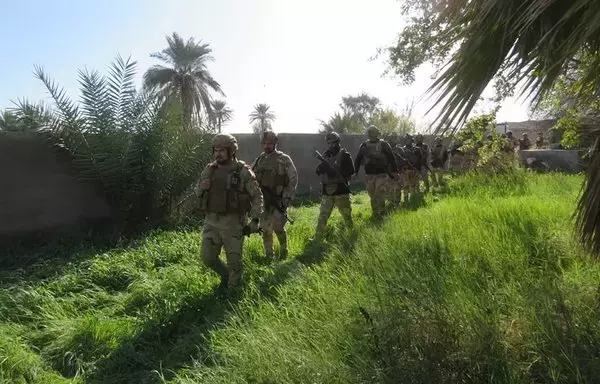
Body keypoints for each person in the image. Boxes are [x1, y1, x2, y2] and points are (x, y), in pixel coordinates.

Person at [195, 133, 263, 294]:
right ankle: (225, 276)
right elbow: (198, 191)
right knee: (208, 258)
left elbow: (257, 195)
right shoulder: (209, 169)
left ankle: (233, 294)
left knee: (235, 263)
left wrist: (254, 219)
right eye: (215, 150)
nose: (217, 154)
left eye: (222, 150)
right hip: (211, 221)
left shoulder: (243, 171)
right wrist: (201, 188)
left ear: (231, 151)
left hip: (233, 224)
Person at [251, 130, 298, 260]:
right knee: (265, 230)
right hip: (264, 202)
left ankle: (284, 250)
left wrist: (286, 198)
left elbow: (293, 179)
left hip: (278, 200)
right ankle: (269, 256)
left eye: (270, 143)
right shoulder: (259, 159)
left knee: (278, 228)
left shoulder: (283, 159)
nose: (267, 146)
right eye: (264, 143)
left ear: (275, 143)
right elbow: (251, 176)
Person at [313, 131, 355, 235]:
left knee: (347, 216)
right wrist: (324, 167)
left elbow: (351, 170)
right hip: (327, 191)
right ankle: (318, 237)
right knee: (323, 216)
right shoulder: (325, 155)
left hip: (341, 190)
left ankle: (351, 234)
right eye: (329, 143)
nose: (331, 145)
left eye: (334, 143)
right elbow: (318, 171)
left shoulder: (345, 155)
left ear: (338, 142)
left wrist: (337, 170)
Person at [353, 125, 398, 218]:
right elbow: (358, 158)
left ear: (376, 134)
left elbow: (391, 158)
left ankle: (382, 211)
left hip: (381, 174)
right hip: (369, 175)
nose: (371, 135)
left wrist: (394, 171)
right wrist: (355, 172)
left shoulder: (384, 144)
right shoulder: (364, 145)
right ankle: (375, 212)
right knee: (372, 196)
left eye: (372, 133)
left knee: (380, 193)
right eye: (370, 133)